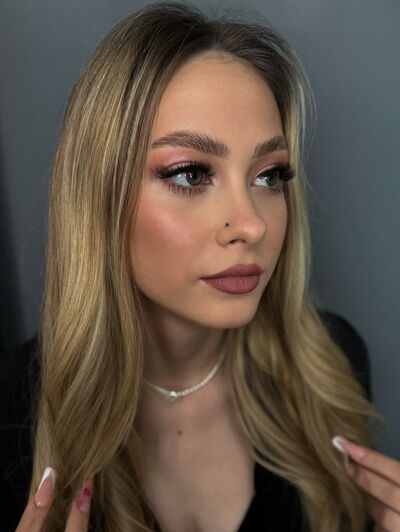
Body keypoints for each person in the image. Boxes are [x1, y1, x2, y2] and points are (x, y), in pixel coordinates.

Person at [2, 2, 399, 531]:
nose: (251, 225)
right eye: (190, 174)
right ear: (99, 196)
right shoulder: (10, 417)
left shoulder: (328, 371)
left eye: (269, 175)